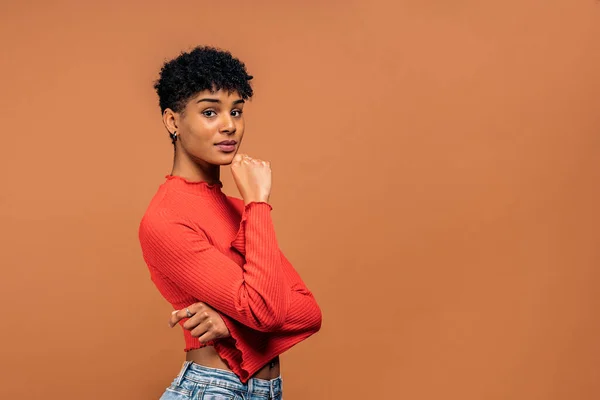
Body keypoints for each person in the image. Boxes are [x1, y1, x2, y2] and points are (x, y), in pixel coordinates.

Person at [138, 46, 322, 400]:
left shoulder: (239, 210)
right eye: (210, 111)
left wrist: (229, 322)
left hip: (265, 391)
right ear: (173, 121)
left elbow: (309, 311)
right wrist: (258, 201)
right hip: (213, 390)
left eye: (236, 111)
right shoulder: (166, 218)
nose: (229, 125)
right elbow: (267, 313)